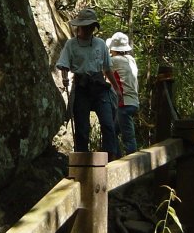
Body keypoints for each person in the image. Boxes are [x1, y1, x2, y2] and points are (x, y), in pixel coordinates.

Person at [56, 8, 123, 159]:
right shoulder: (71, 44)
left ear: (94, 27)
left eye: (90, 27)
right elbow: (64, 64)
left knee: (108, 124)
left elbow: (107, 68)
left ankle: (109, 158)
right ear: (79, 27)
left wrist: (117, 89)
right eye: (85, 26)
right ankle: (82, 160)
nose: (87, 30)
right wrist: (65, 76)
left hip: (99, 86)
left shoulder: (100, 44)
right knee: (82, 128)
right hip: (81, 87)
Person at [107, 32, 139, 156]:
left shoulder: (114, 60)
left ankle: (134, 165)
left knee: (129, 138)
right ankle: (118, 158)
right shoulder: (131, 59)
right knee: (113, 132)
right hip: (134, 102)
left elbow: (103, 69)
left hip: (124, 103)